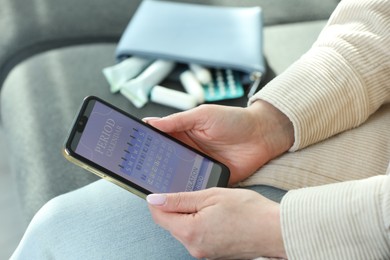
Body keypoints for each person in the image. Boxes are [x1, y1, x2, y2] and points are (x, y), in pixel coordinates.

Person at [11, 0, 390, 258]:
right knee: (58, 229)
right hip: (327, 147)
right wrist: (269, 124)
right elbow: (376, 22)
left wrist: (279, 229)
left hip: (358, 222)